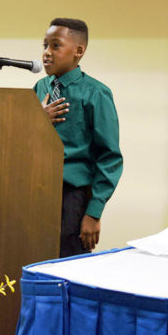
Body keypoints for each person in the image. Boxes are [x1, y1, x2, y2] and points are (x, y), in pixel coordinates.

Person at [34, 18, 123, 258]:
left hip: (73, 196)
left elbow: (110, 157)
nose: (46, 53)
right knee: (36, 258)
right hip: (37, 190)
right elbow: (27, 141)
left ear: (78, 51)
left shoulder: (95, 93)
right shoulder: (40, 87)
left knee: (66, 264)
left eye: (55, 46)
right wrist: (37, 122)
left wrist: (93, 212)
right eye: (44, 46)